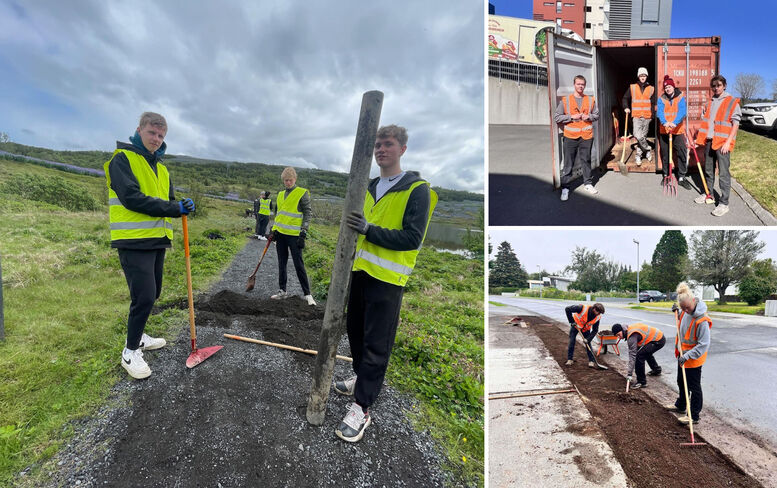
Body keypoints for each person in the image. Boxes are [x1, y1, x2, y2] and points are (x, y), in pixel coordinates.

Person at [332, 124, 437, 443]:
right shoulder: (370, 186)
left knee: (377, 344)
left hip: (388, 281)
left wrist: (369, 230)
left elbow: (411, 238)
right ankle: (362, 378)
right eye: (377, 144)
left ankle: (362, 407)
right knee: (356, 333)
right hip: (360, 273)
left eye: (388, 144)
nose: (381, 149)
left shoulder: (417, 189)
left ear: (402, 149)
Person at [104, 112, 194, 380]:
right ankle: (130, 352)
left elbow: (169, 200)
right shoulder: (121, 159)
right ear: (139, 130)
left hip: (157, 240)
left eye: (161, 136)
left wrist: (183, 205)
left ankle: (140, 335)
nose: (156, 139)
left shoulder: (162, 168)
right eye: (152, 133)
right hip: (133, 240)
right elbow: (132, 198)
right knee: (143, 296)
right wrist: (172, 207)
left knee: (153, 293)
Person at [692, 75, 741, 217]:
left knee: (724, 174)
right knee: (708, 170)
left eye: (719, 85)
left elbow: (735, 124)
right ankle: (709, 194)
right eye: (713, 86)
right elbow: (706, 123)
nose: (716, 88)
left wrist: (728, 142)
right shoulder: (709, 102)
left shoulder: (732, 102)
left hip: (722, 144)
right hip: (709, 141)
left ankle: (724, 203)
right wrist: (699, 139)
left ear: (724, 85)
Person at [268, 167, 315, 306]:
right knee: (281, 263)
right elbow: (279, 215)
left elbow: (308, 213)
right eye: (285, 180)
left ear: (295, 179)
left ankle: (308, 295)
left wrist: (304, 231)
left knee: (298, 264)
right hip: (281, 235)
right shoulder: (281, 194)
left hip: (294, 236)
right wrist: (274, 230)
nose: (288, 182)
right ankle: (282, 291)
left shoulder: (302, 193)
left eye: (290, 180)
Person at [668, 282, 712, 425]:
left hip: (693, 358)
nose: (686, 310)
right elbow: (683, 320)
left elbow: (704, 344)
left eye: (687, 307)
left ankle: (693, 416)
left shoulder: (702, 320)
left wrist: (687, 356)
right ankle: (680, 405)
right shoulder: (685, 312)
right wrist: (677, 312)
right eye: (682, 308)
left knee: (693, 387)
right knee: (681, 382)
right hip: (682, 355)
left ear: (694, 301)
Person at [554, 75, 600, 201]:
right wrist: (571, 117)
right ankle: (565, 188)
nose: (580, 86)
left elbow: (597, 115)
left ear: (585, 86)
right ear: (574, 84)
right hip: (570, 136)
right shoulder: (566, 100)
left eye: (582, 84)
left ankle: (588, 184)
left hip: (586, 136)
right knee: (568, 164)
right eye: (578, 84)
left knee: (586, 161)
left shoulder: (590, 100)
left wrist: (589, 117)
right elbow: (557, 117)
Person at [656, 75, 690, 189]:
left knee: (681, 152)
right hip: (664, 130)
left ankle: (681, 177)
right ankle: (666, 175)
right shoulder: (661, 99)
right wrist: (664, 122)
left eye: (669, 87)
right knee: (665, 154)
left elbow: (682, 111)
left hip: (677, 130)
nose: (667, 89)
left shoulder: (680, 97)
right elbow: (659, 112)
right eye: (665, 88)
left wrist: (674, 122)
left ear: (673, 87)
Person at [611, 323, 665, 389]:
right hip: (658, 337)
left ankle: (641, 382)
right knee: (646, 352)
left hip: (658, 340)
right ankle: (656, 370)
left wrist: (629, 374)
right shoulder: (629, 329)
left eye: (619, 335)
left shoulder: (632, 336)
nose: (619, 337)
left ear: (622, 330)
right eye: (617, 336)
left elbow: (632, 356)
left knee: (639, 356)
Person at [622, 67, 655, 166]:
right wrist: (626, 107)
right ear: (638, 76)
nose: (642, 77)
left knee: (643, 136)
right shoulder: (632, 87)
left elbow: (653, 103)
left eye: (644, 75)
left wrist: (652, 115)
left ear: (646, 76)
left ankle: (638, 155)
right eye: (641, 75)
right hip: (636, 116)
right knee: (637, 134)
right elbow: (625, 98)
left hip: (647, 116)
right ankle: (647, 149)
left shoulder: (651, 88)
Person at [564, 302, 605, 367]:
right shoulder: (582, 308)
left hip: (586, 329)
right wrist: (572, 321)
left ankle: (591, 361)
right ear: (594, 309)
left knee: (588, 344)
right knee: (572, 341)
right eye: (598, 312)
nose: (599, 314)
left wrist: (588, 339)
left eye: (600, 313)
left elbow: (595, 330)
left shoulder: (597, 317)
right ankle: (570, 359)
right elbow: (567, 309)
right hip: (576, 326)